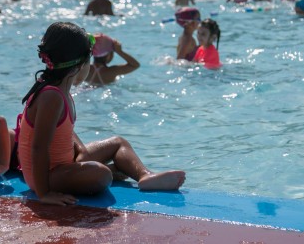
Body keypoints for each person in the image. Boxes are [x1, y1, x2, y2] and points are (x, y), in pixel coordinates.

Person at [17, 22, 185, 205]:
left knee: (118, 143)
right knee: (101, 175)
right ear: (80, 66)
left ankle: (144, 176)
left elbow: (63, 132)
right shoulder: (52, 96)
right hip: (45, 176)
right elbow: (38, 148)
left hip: (62, 166)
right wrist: (44, 193)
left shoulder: (60, 90)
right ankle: (111, 170)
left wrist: (82, 152)